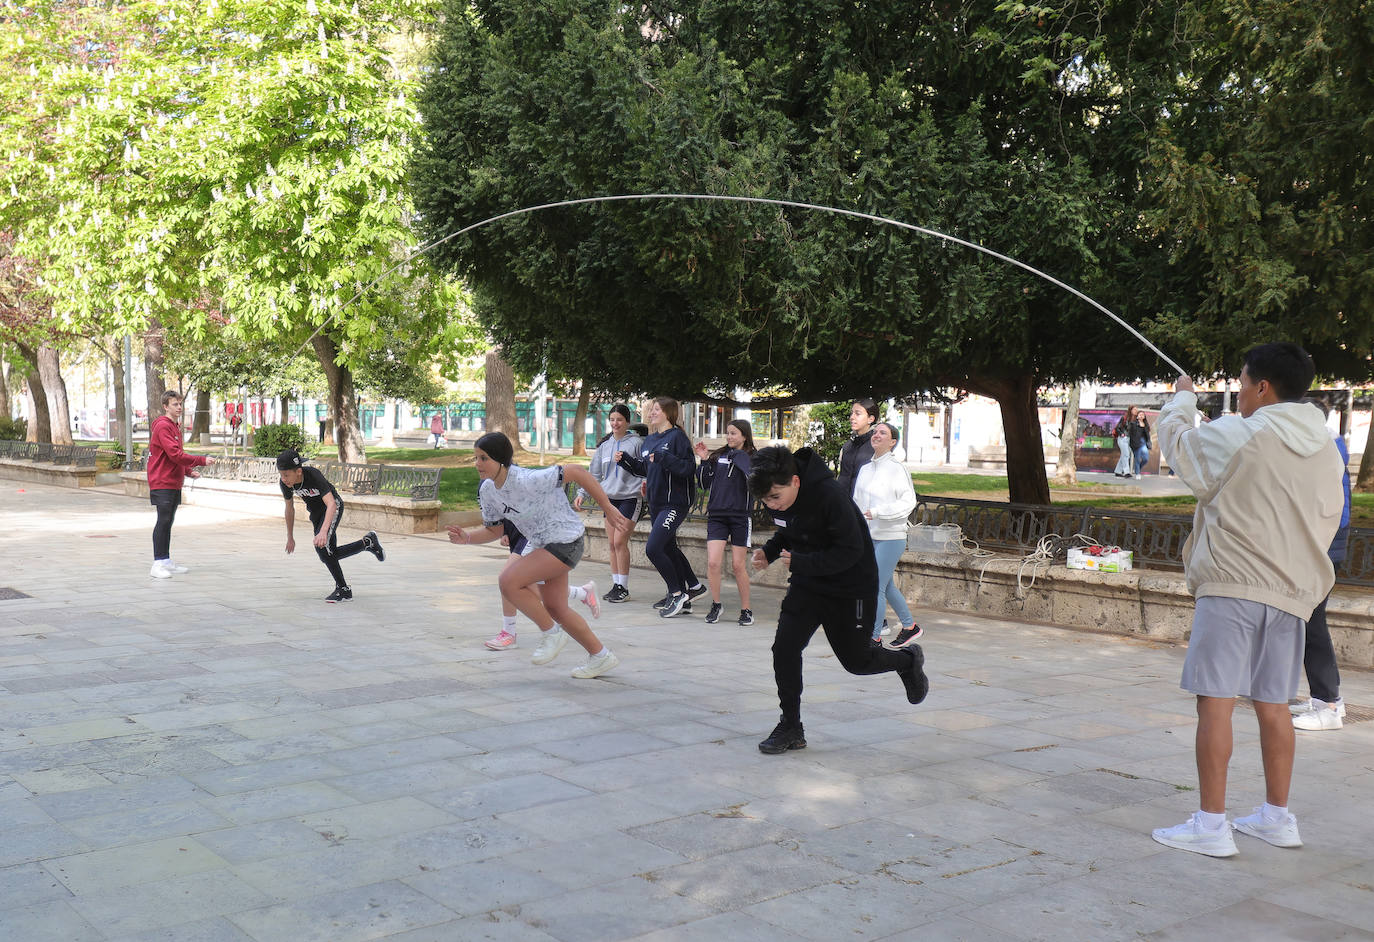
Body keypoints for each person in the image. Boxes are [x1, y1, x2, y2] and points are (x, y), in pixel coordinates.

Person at [1150, 343, 1344, 858]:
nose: (1238, 392)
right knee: (1273, 704)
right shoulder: (1325, 444)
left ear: (1262, 386)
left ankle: (1211, 825)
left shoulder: (1245, 431)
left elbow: (1184, 451)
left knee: (1214, 701)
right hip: (1292, 593)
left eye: (1241, 382)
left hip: (1233, 584)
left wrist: (1181, 402)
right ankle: (1278, 818)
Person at [749, 445, 929, 755]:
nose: (771, 506)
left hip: (850, 588)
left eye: (774, 498)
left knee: (858, 663)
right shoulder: (780, 496)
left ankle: (908, 660)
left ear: (795, 481)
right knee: (784, 649)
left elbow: (850, 551)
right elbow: (787, 530)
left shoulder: (830, 497)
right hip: (807, 585)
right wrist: (769, 552)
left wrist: (802, 562)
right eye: (765, 501)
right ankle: (791, 726)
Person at [448, 432, 630, 678]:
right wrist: (467, 538)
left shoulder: (528, 479)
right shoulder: (489, 491)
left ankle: (551, 635)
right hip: (543, 543)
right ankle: (601, 656)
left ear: (501, 460)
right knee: (556, 607)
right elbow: (495, 529)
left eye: (484, 458)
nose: (477, 464)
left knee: (508, 581)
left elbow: (576, 471)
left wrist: (607, 507)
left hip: (566, 540)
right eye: (476, 458)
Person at [1290, 396, 1352, 732]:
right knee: (1310, 624)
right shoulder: (1331, 444)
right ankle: (1326, 700)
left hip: (1321, 549)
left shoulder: (1323, 448)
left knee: (1313, 626)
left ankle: (1328, 705)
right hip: (1324, 548)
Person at [616, 397, 705, 618]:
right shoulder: (649, 440)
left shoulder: (677, 437)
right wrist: (625, 460)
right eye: (651, 409)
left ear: (668, 413)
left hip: (674, 502)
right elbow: (645, 469)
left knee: (653, 548)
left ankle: (677, 593)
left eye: (656, 409)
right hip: (656, 503)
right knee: (668, 547)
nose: (652, 412)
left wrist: (665, 458)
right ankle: (693, 588)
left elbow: (687, 468)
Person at [277, 449, 385, 602]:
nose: (283, 479)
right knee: (327, 553)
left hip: (333, 508)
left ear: (299, 471)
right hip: (316, 514)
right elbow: (289, 508)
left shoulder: (313, 475)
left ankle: (344, 589)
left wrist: (323, 531)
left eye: (286, 475)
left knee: (323, 547)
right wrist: (290, 537)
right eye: (281, 474)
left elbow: (332, 504)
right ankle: (367, 543)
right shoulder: (285, 484)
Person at [852, 422, 922, 645]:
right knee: (886, 585)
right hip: (869, 536)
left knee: (875, 586)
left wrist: (880, 512)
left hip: (891, 537)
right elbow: (857, 504)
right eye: (875, 432)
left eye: (883, 432)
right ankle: (909, 626)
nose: (876, 435)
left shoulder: (897, 468)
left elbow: (908, 501)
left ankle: (873, 638)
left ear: (893, 442)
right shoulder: (865, 469)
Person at [483, 519, 602, 651]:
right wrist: (504, 531)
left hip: (532, 530)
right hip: (517, 527)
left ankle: (509, 632)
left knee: (507, 579)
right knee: (525, 585)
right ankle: (581, 593)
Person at [574, 404, 646, 602]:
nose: (615, 423)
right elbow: (594, 475)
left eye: (620, 420)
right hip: (609, 500)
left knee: (619, 542)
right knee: (612, 545)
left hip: (630, 498)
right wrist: (582, 492)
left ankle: (624, 587)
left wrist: (644, 484)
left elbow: (646, 468)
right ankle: (617, 585)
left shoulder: (637, 443)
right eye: (612, 419)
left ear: (627, 422)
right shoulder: (604, 447)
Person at [694, 419, 756, 626]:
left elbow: (756, 481)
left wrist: (742, 461)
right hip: (717, 516)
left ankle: (746, 609)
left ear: (744, 436)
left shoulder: (752, 458)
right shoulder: (718, 456)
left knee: (739, 566)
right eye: (727, 433)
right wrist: (703, 460)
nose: (729, 437)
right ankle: (716, 604)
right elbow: (703, 484)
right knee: (713, 563)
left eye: (734, 433)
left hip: (740, 517)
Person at [147, 390, 213, 579]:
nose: (179, 407)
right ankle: (157, 563)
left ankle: (165, 561)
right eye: (175, 404)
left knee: (168, 521)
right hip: (162, 481)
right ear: (165, 406)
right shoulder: (163, 427)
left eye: (180, 404)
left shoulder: (174, 427)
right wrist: (201, 459)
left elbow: (173, 455)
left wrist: (187, 471)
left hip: (173, 481)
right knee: (163, 520)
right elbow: (174, 454)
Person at [835, 398, 879, 495]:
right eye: (852, 413)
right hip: (843, 504)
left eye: (857, 414)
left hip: (865, 508)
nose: (852, 417)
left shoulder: (877, 447)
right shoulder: (847, 446)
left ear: (871, 419)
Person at [1112, 408, 1135, 477]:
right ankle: (1126, 472)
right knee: (1126, 455)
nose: (1136, 411)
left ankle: (1118, 471)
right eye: (1134, 410)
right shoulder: (1124, 418)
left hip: (1130, 439)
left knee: (1124, 455)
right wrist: (1122, 434)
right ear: (1130, 411)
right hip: (1123, 438)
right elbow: (1117, 428)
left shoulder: (1135, 420)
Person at [1130, 409, 1152, 477]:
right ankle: (1137, 473)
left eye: (1143, 415)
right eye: (1140, 414)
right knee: (1137, 458)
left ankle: (1138, 468)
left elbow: (1147, 435)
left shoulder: (1146, 425)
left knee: (1146, 459)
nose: (1142, 416)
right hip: (1136, 443)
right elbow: (1131, 433)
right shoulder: (1133, 423)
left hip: (1143, 443)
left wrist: (1149, 442)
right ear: (1137, 416)